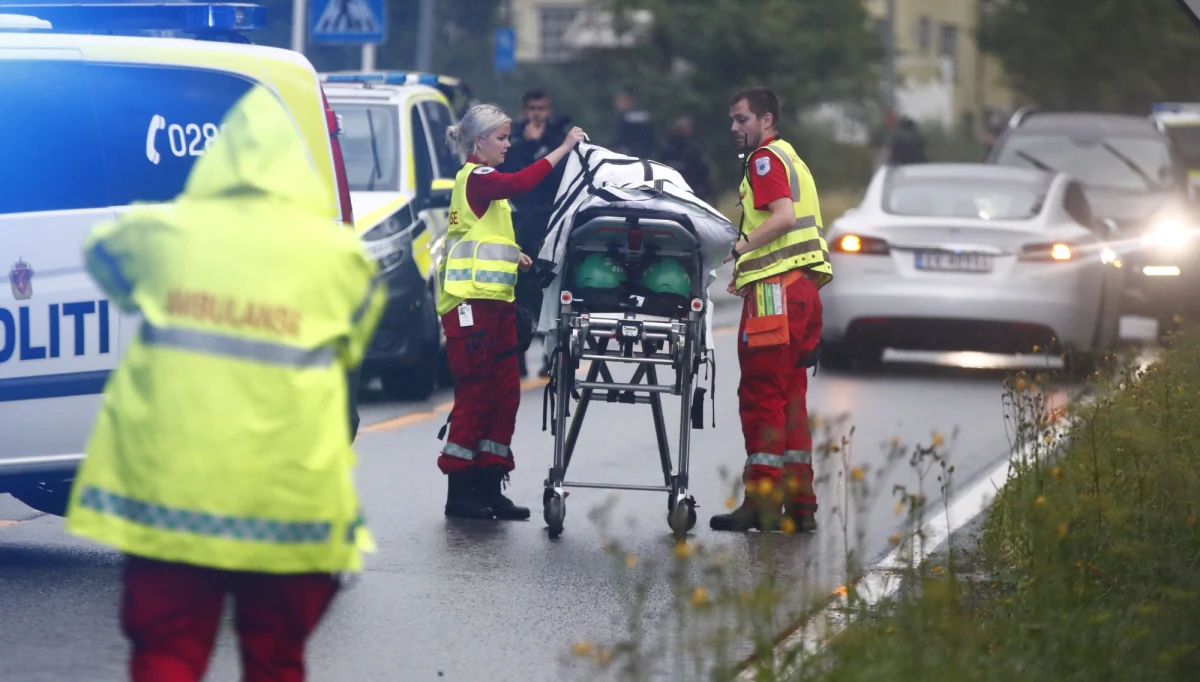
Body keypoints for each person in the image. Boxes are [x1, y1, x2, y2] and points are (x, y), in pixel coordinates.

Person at [63, 85, 386, 682]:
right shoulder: (342, 260)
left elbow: (104, 259)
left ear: (221, 157)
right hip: (290, 502)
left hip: (174, 496)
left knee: (168, 654)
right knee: (276, 661)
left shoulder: (163, 233)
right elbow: (353, 340)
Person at [437, 104, 586, 520]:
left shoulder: (486, 187)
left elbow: (484, 240)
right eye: (501, 138)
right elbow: (522, 182)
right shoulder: (480, 178)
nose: (508, 144)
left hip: (497, 305)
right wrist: (563, 148)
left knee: (504, 396)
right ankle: (460, 492)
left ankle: (490, 483)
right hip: (471, 308)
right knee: (476, 396)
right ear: (479, 142)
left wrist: (520, 258)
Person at [710, 86, 833, 534]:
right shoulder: (791, 157)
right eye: (732, 120)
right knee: (791, 399)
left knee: (762, 396)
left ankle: (762, 502)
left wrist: (738, 249)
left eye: (742, 120)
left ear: (766, 121)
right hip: (803, 292)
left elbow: (780, 217)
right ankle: (800, 503)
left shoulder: (765, 160)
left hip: (776, 295)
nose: (734, 129)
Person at [497, 89, 573, 378]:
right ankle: (515, 357)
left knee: (549, 290)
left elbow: (560, 175)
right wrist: (527, 145)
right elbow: (511, 176)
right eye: (531, 108)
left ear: (549, 109)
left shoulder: (558, 139)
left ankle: (550, 357)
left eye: (541, 108)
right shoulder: (512, 140)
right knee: (515, 292)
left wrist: (541, 145)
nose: (536, 114)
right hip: (519, 222)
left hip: (549, 222)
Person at [660, 116, 715, 203]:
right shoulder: (668, 147)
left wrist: (706, 190)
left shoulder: (693, 148)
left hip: (693, 189)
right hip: (672, 190)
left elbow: (703, 170)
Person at [611, 90, 657, 159]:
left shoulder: (631, 117)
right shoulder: (626, 116)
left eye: (621, 101)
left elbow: (624, 138)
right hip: (641, 152)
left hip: (636, 153)